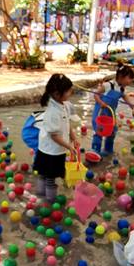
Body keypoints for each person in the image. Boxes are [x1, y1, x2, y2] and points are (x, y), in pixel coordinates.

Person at [34, 74, 78, 202]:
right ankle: (49, 200)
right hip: (51, 150)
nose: (71, 92)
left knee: (44, 172)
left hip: (55, 147)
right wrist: (69, 146)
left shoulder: (64, 104)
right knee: (49, 177)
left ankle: (41, 193)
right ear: (57, 94)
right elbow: (54, 136)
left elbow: (67, 122)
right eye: (68, 91)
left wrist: (73, 136)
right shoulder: (52, 112)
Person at [90, 64, 134, 157]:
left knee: (112, 131)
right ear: (121, 77)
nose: (130, 81)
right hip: (101, 113)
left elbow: (127, 100)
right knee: (99, 132)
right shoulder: (108, 85)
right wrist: (101, 103)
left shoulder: (122, 89)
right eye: (129, 78)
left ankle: (108, 150)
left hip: (110, 114)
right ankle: (95, 151)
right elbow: (95, 94)